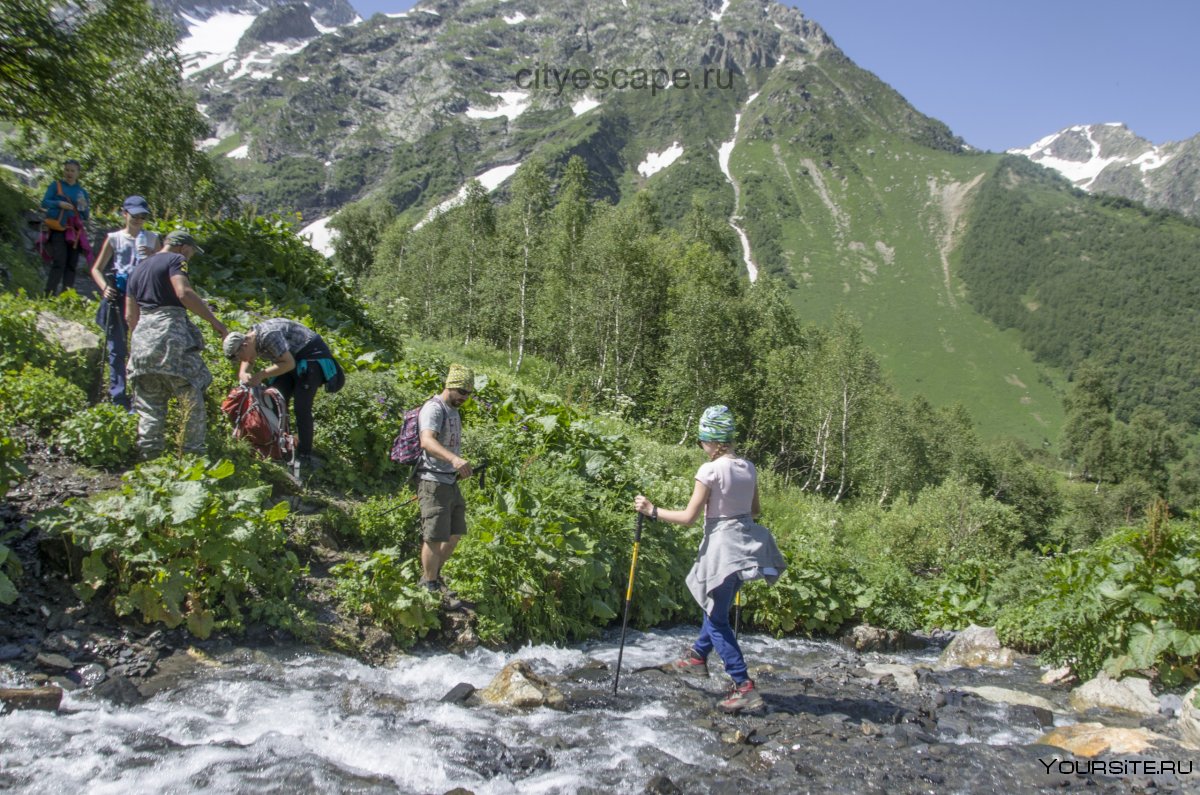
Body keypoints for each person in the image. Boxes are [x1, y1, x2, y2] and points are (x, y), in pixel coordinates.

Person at [634, 405, 786, 714]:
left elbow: (689, 517)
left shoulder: (710, 470)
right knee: (716, 607)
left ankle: (743, 686)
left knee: (716, 619)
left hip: (720, 548)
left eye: (703, 440)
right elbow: (754, 511)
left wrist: (652, 511)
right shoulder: (749, 467)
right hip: (745, 545)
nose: (702, 446)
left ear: (713, 441)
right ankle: (697, 658)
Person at [125, 230, 228, 458]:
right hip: (170, 336)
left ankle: (150, 456)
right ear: (184, 247)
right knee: (191, 390)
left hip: (142, 339)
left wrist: (140, 342)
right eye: (191, 252)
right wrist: (215, 322)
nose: (190, 257)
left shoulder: (137, 269)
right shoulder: (176, 260)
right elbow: (183, 293)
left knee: (150, 403)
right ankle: (192, 455)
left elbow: (130, 316)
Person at [221, 319, 341, 470]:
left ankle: (305, 454)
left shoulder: (268, 336)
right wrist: (243, 373)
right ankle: (278, 443)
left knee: (301, 407)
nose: (243, 360)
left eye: (240, 357)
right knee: (273, 397)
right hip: (291, 358)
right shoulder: (250, 339)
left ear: (244, 345)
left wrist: (260, 375)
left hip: (311, 357)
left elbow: (289, 363)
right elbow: (250, 358)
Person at [89, 196, 161, 409]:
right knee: (116, 348)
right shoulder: (114, 238)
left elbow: (162, 268)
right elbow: (96, 268)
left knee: (143, 348)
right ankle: (118, 397)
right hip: (118, 296)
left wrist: (153, 255)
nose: (139, 219)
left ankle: (141, 396)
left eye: (143, 216)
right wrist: (105, 287)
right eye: (135, 215)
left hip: (143, 299)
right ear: (125, 214)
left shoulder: (152, 238)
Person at [414, 364, 475, 603]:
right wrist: (454, 459)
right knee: (434, 536)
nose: (464, 397)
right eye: (461, 391)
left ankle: (433, 578)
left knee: (455, 533)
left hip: (450, 481)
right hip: (432, 481)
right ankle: (429, 586)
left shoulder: (454, 410)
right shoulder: (434, 409)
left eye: (468, 393)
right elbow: (426, 442)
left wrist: (457, 467)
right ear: (449, 385)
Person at [40, 159, 92, 295]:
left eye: (72, 170)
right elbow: (44, 202)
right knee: (59, 262)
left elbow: (85, 215)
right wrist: (59, 204)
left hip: (75, 233)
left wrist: (83, 206)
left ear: (78, 173)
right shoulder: (55, 186)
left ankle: (65, 297)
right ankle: (48, 295)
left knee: (71, 264)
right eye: (67, 170)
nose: (69, 173)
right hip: (58, 229)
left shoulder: (82, 192)